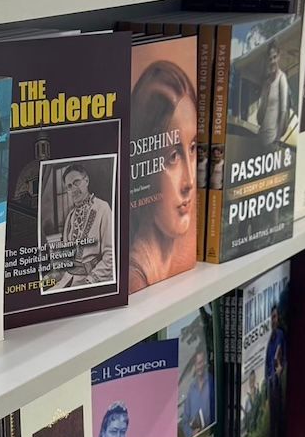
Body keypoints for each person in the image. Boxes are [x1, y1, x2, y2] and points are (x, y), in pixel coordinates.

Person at [128, 58, 199, 290]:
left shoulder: (164, 270)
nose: (189, 182)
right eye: (173, 156)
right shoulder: (135, 281)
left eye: (193, 148)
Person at [46, 163, 114, 290]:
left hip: (92, 279)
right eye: (69, 186)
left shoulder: (102, 208)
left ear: (86, 180)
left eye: (76, 182)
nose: (73, 189)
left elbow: (111, 255)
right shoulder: (70, 216)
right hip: (68, 277)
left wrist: (90, 280)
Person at [251, 38, 292, 145]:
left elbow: (283, 111)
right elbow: (260, 115)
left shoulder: (282, 78)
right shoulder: (267, 82)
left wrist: (277, 138)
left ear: (278, 57)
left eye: (274, 57)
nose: (273, 61)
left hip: (273, 138)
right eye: (270, 59)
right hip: (261, 134)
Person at [265, 301, 287, 437]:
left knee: (281, 415)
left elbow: (285, 356)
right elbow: (266, 366)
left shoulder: (280, 335)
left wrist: (281, 367)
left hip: (280, 381)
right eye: (272, 317)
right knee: (272, 420)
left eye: (276, 316)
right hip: (271, 384)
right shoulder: (266, 342)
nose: (274, 320)